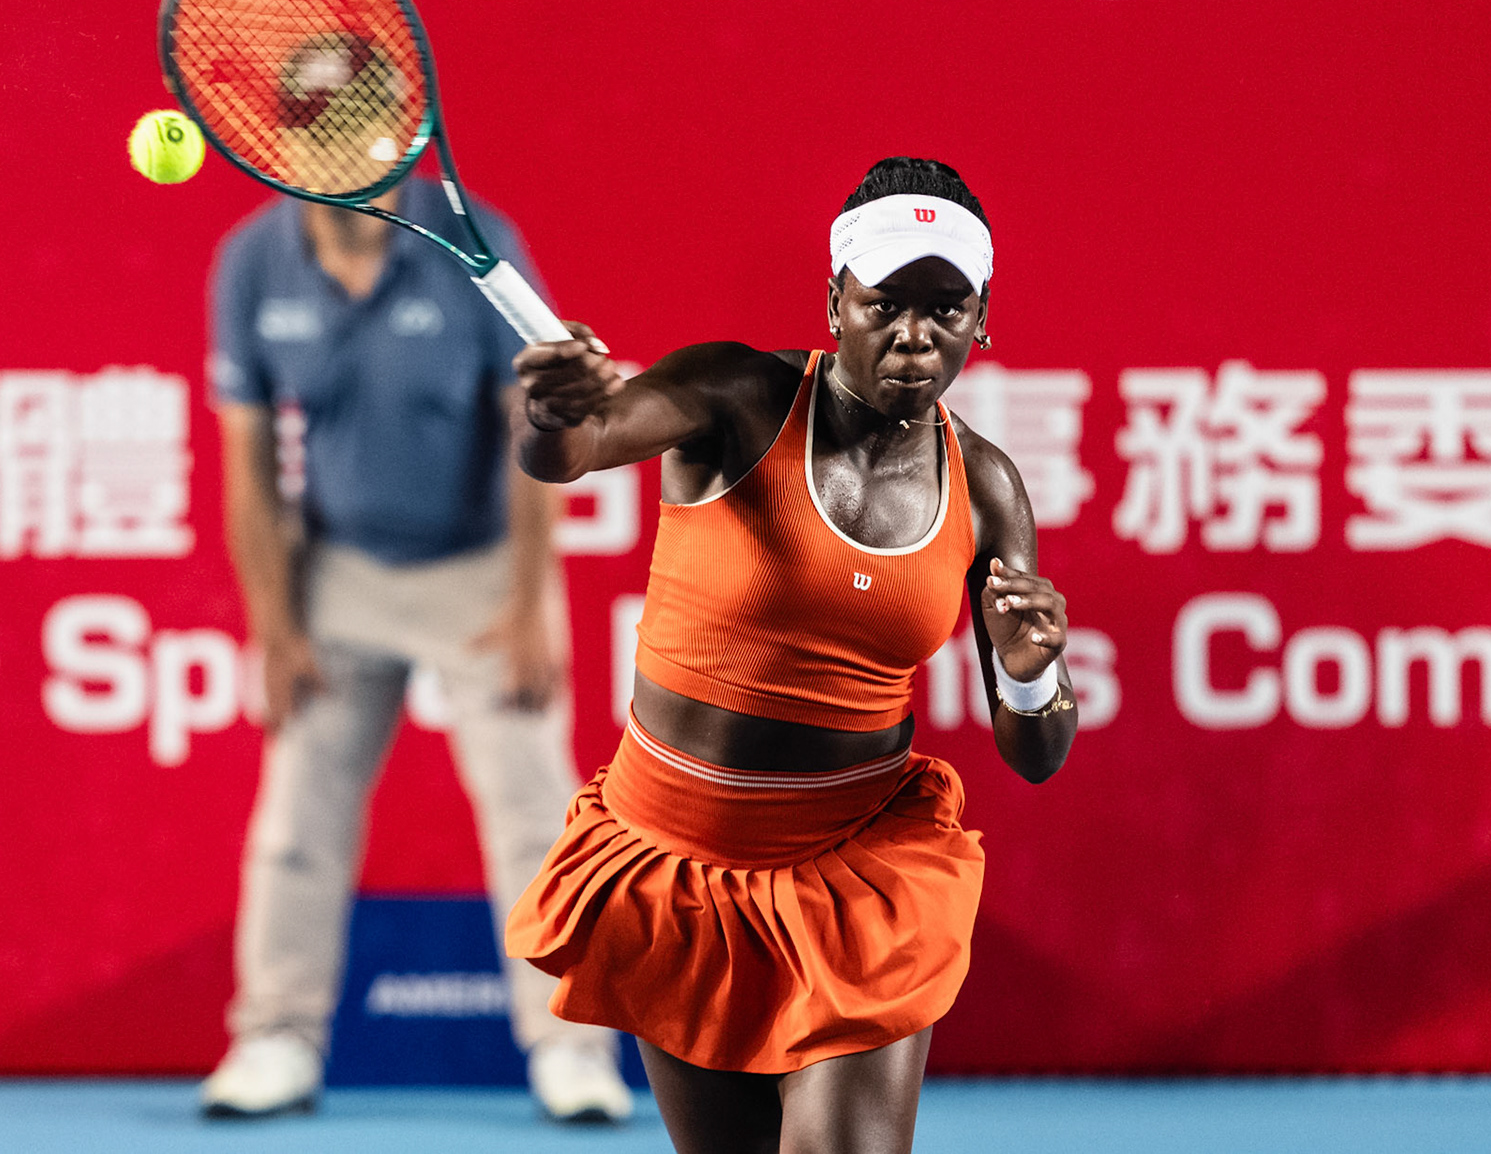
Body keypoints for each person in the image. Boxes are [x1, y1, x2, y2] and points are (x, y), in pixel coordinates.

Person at [504, 156, 1077, 1153]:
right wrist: (555, 412)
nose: (915, 334)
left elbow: (1036, 749)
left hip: (859, 871)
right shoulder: (734, 394)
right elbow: (582, 445)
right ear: (834, 301)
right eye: (887, 302)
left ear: (983, 317)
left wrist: (1029, 668)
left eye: (948, 309)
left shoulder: (987, 486)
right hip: (677, 865)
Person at [195, 173, 634, 1123]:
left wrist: (527, 607)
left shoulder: (475, 235)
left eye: (366, 128)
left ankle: (572, 1048)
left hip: (480, 569)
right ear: (284, 149)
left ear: (397, 146)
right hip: (338, 573)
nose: (347, 156)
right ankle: (274, 1037)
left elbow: (536, 421)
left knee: (534, 817)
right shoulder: (251, 261)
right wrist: (276, 631)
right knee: (296, 818)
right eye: (318, 131)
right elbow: (248, 459)